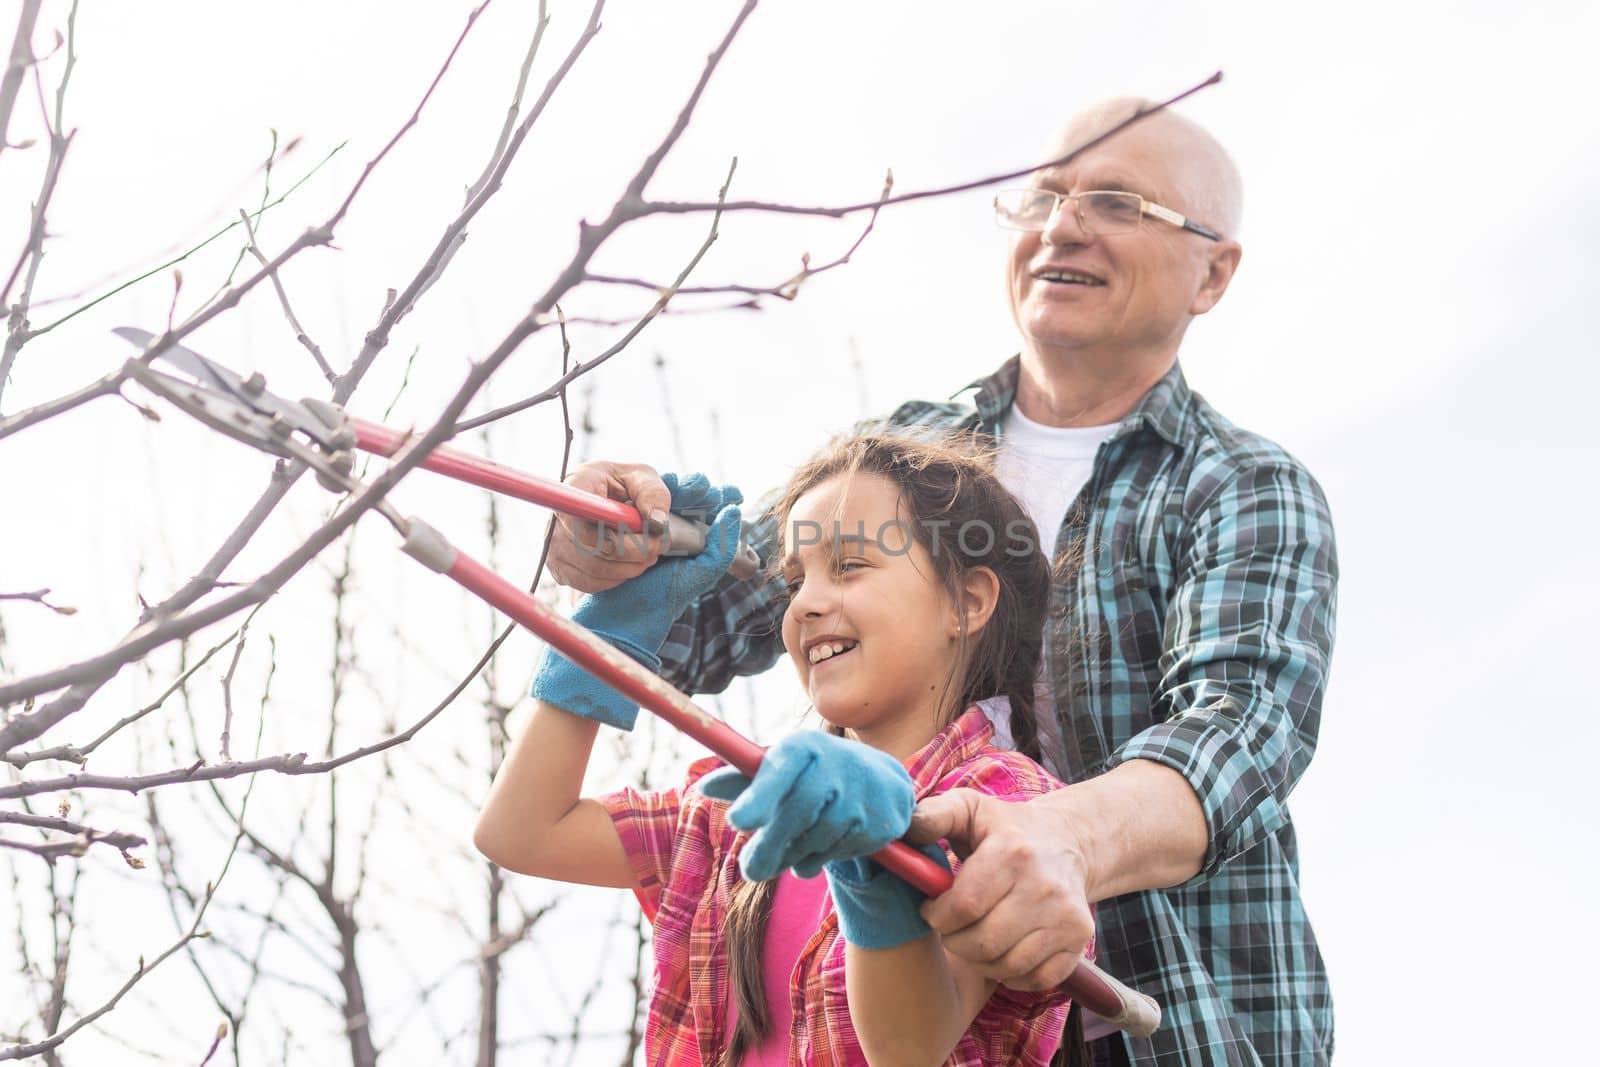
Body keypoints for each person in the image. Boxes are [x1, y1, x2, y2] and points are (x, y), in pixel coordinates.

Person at [542, 98, 1338, 1066]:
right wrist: (621, 550)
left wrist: (1056, 840)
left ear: (1213, 270)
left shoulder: (1239, 483)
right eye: (1044, 195)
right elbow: (694, 625)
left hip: (1150, 1022)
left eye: (1120, 202)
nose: (1062, 225)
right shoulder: (907, 457)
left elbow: (1238, 731)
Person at [476, 434, 1085, 1066]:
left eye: (849, 566)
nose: (806, 604)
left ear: (968, 601)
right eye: (796, 580)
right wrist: (610, 634)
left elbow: (906, 1050)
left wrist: (874, 867)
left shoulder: (1007, 812)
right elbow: (521, 832)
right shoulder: (743, 807)